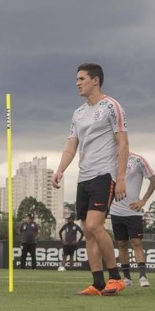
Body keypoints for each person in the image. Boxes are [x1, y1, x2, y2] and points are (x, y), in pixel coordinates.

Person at [52, 62, 129, 296]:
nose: (77, 83)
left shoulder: (111, 106)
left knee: (96, 225)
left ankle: (115, 278)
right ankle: (97, 283)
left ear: (95, 80)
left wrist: (121, 178)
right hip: (83, 177)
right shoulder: (77, 113)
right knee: (87, 231)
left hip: (104, 174)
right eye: (77, 79)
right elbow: (71, 146)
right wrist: (60, 169)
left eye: (82, 78)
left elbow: (123, 143)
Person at [110, 151, 155, 287]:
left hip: (133, 211)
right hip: (115, 210)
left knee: (136, 242)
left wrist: (143, 200)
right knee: (121, 244)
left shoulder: (138, 160)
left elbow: (154, 180)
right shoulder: (110, 159)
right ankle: (127, 278)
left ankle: (143, 276)